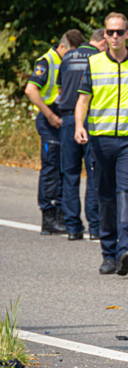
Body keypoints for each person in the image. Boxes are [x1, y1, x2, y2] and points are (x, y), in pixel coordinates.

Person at [74, 13, 128, 276]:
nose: (114, 36)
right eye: (110, 32)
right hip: (100, 141)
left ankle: (126, 250)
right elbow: (82, 101)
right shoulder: (95, 63)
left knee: (127, 193)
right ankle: (108, 255)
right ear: (105, 34)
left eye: (119, 32)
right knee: (105, 197)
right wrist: (79, 125)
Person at [25, 29, 85, 234]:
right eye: (72, 53)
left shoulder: (67, 60)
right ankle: (49, 217)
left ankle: (61, 213)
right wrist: (50, 115)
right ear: (62, 47)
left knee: (63, 167)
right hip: (50, 117)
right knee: (51, 167)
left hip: (63, 118)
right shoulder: (47, 61)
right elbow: (30, 90)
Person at [57, 28, 107, 240]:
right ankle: (95, 227)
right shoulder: (99, 58)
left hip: (68, 120)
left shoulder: (67, 57)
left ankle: (72, 227)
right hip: (91, 119)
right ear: (103, 42)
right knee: (94, 173)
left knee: (70, 175)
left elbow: (60, 91)